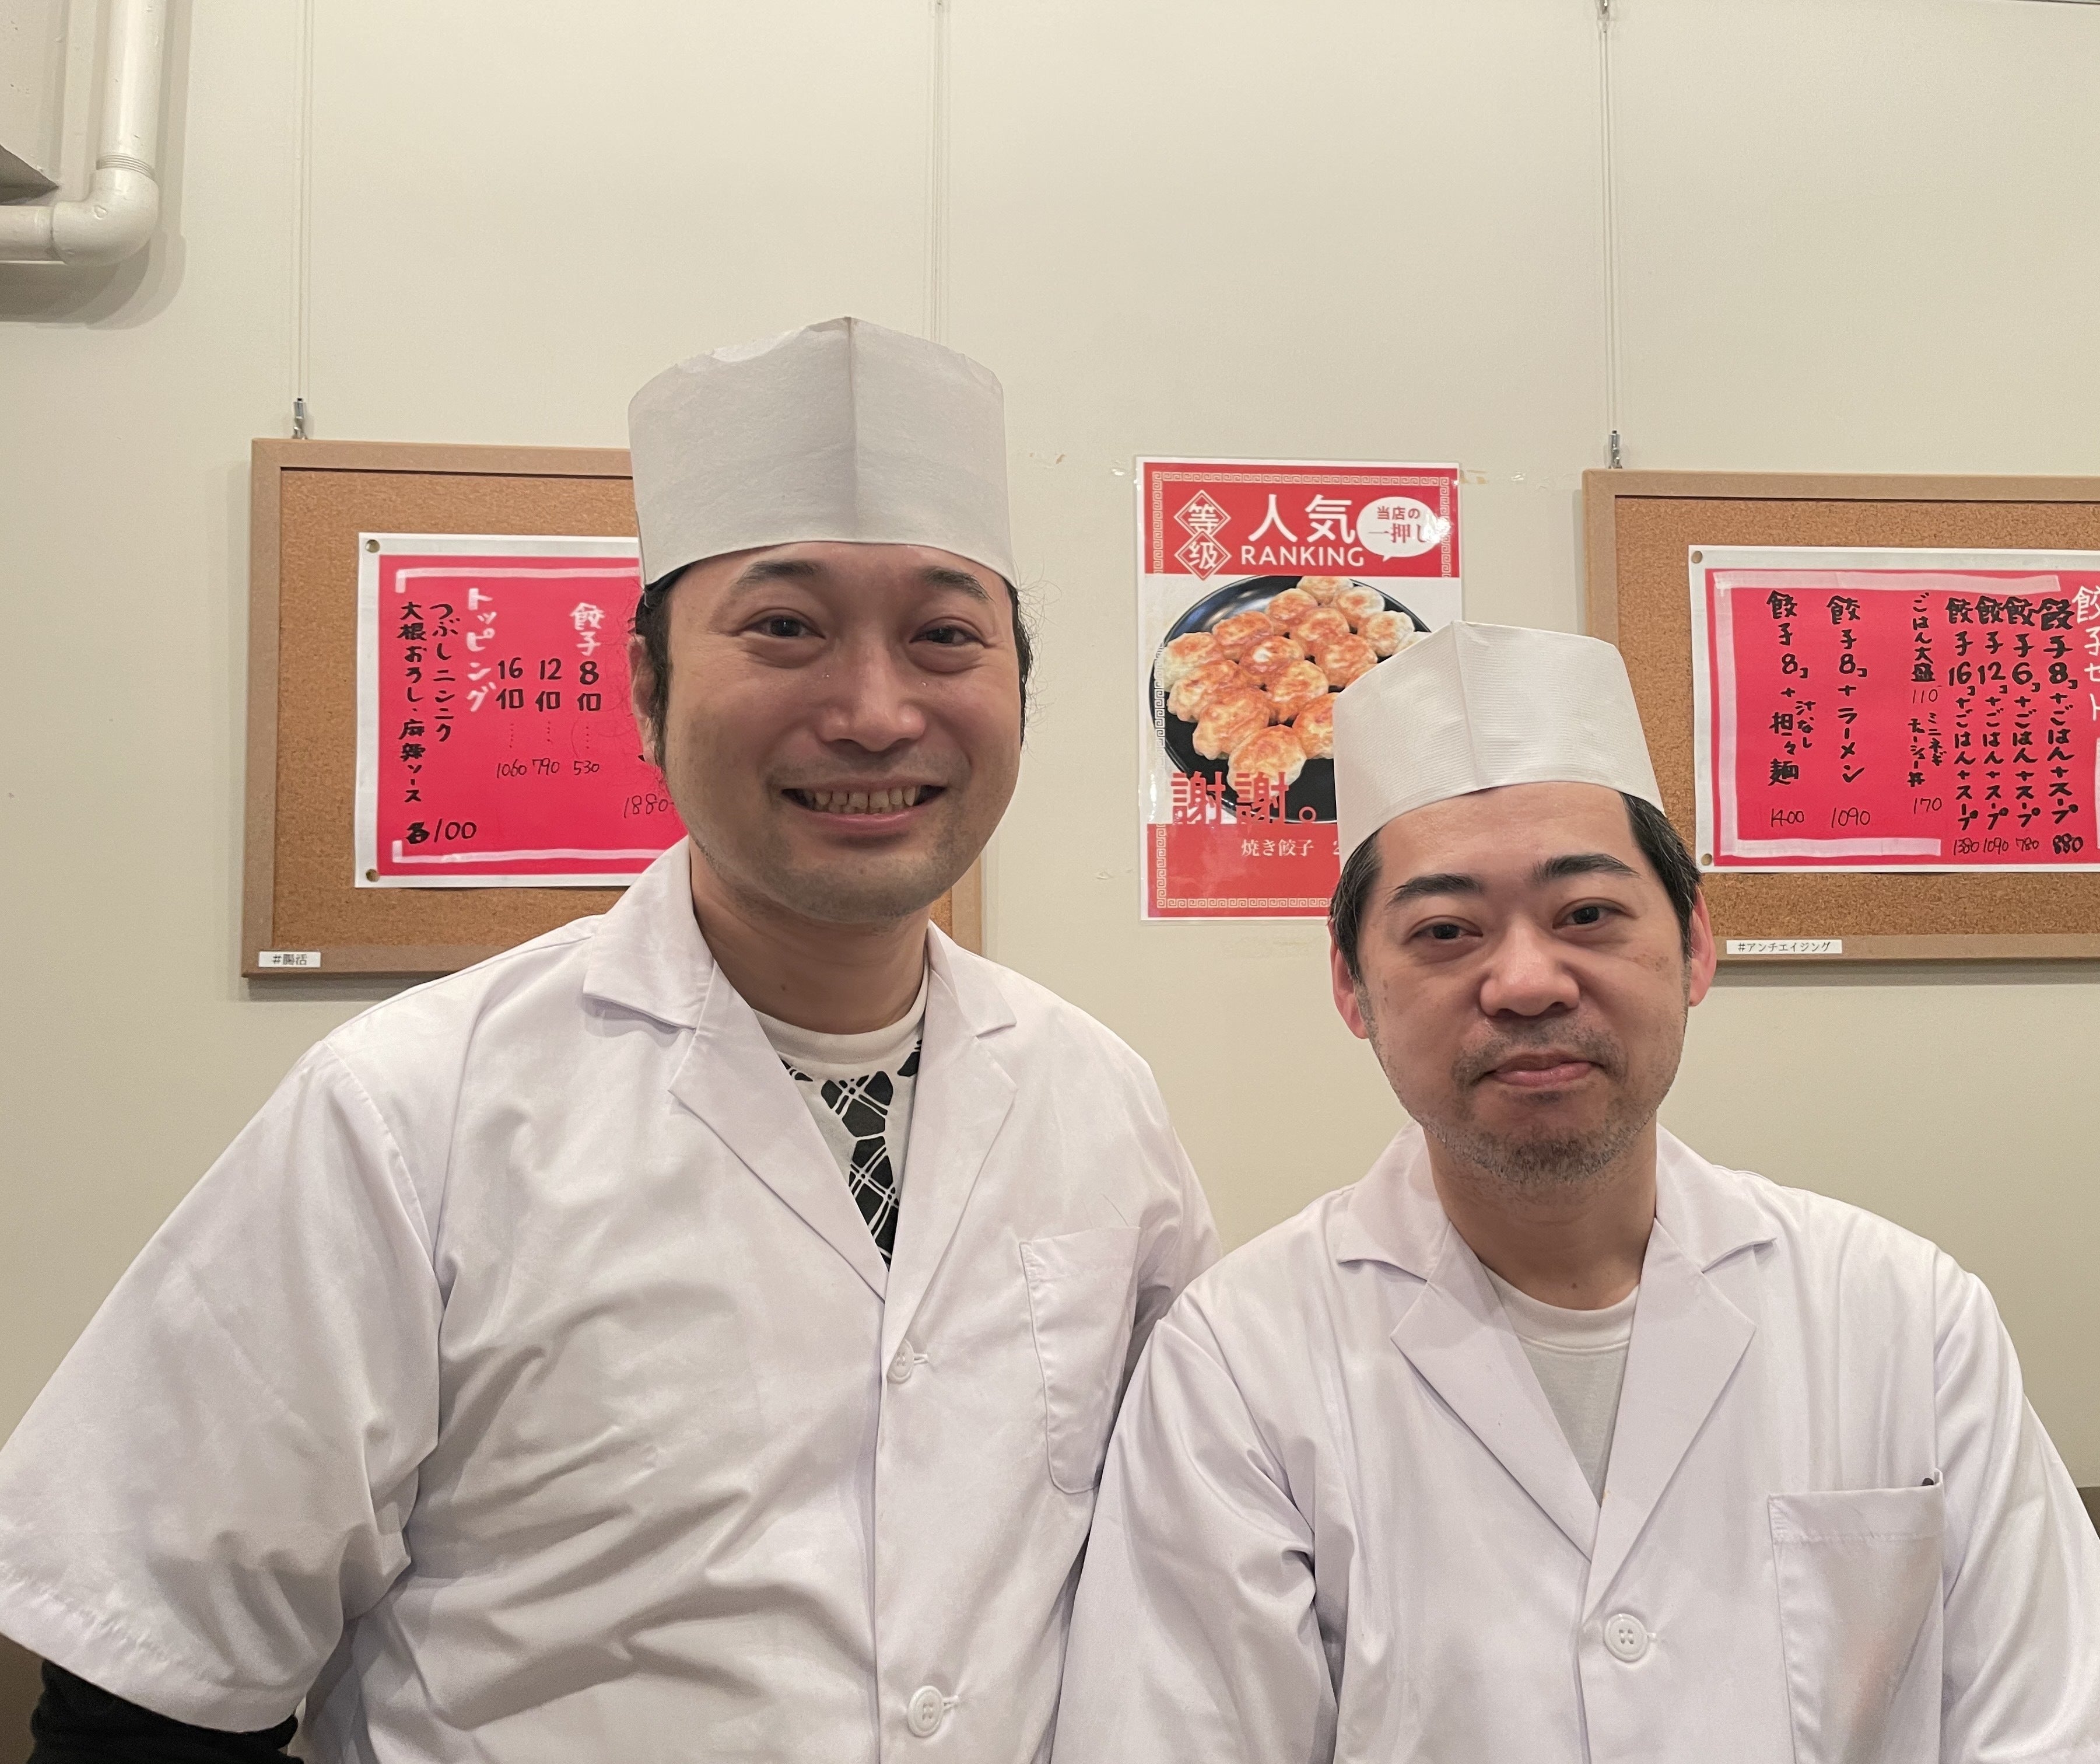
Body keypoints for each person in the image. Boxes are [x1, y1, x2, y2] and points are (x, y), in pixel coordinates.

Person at [0, 317, 1217, 1762]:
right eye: (785, 627)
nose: (876, 712)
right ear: (645, 690)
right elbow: (153, 1682)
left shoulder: (1097, 1097)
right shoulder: (413, 1110)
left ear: (1018, 687)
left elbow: (1172, 1568)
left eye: (945, 636)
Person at [1055, 621, 2100, 1763]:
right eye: (1446, 931)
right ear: (1353, 987)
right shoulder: (1239, 1364)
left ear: (1695, 946)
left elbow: (2080, 1732)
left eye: (1588, 915)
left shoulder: (1904, 1316)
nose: (1527, 982)